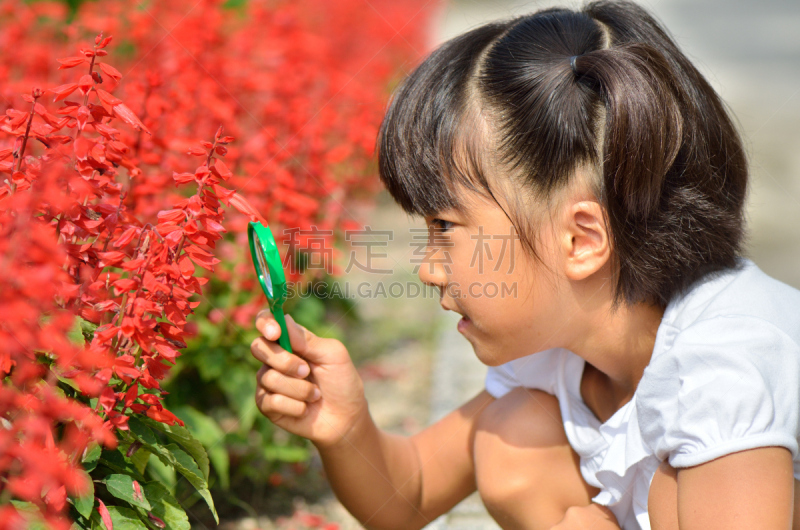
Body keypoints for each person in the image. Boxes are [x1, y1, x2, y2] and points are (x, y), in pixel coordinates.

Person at [249, 1, 800, 528]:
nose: (428, 269)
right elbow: (408, 495)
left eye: (444, 228)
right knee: (512, 438)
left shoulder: (721, 377)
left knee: (671, 491)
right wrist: (343, 427)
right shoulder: (562, 344)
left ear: (581, 241)